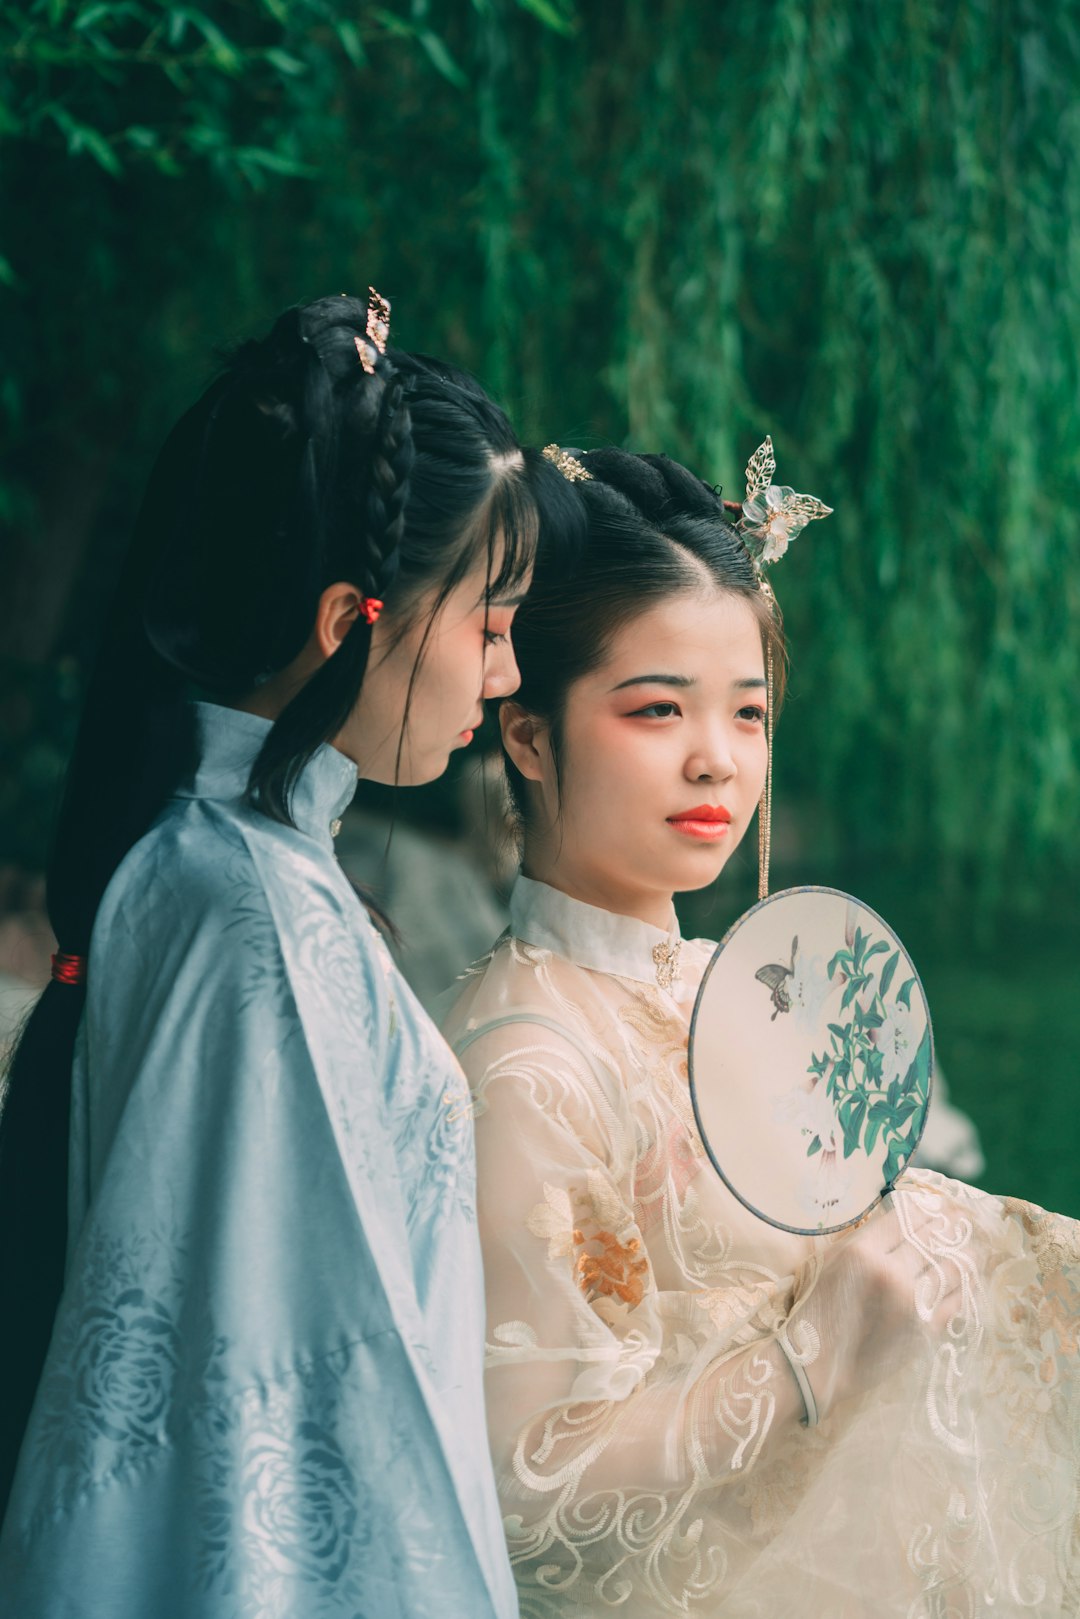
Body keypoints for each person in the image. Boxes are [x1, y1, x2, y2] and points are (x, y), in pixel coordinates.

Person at [0, 291, 577, 1617]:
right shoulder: (256, 926)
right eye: (488, 624)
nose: (503, 677)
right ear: (347, 618)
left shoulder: (218, 866)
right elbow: (313, 1401)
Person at [440, 444, 1080, 1617]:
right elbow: (519, 1475)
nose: (716, 759)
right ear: (528, 736)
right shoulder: (525, 1054)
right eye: (656, 709)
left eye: (747, 711)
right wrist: (806, 1362)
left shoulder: (729, 983)